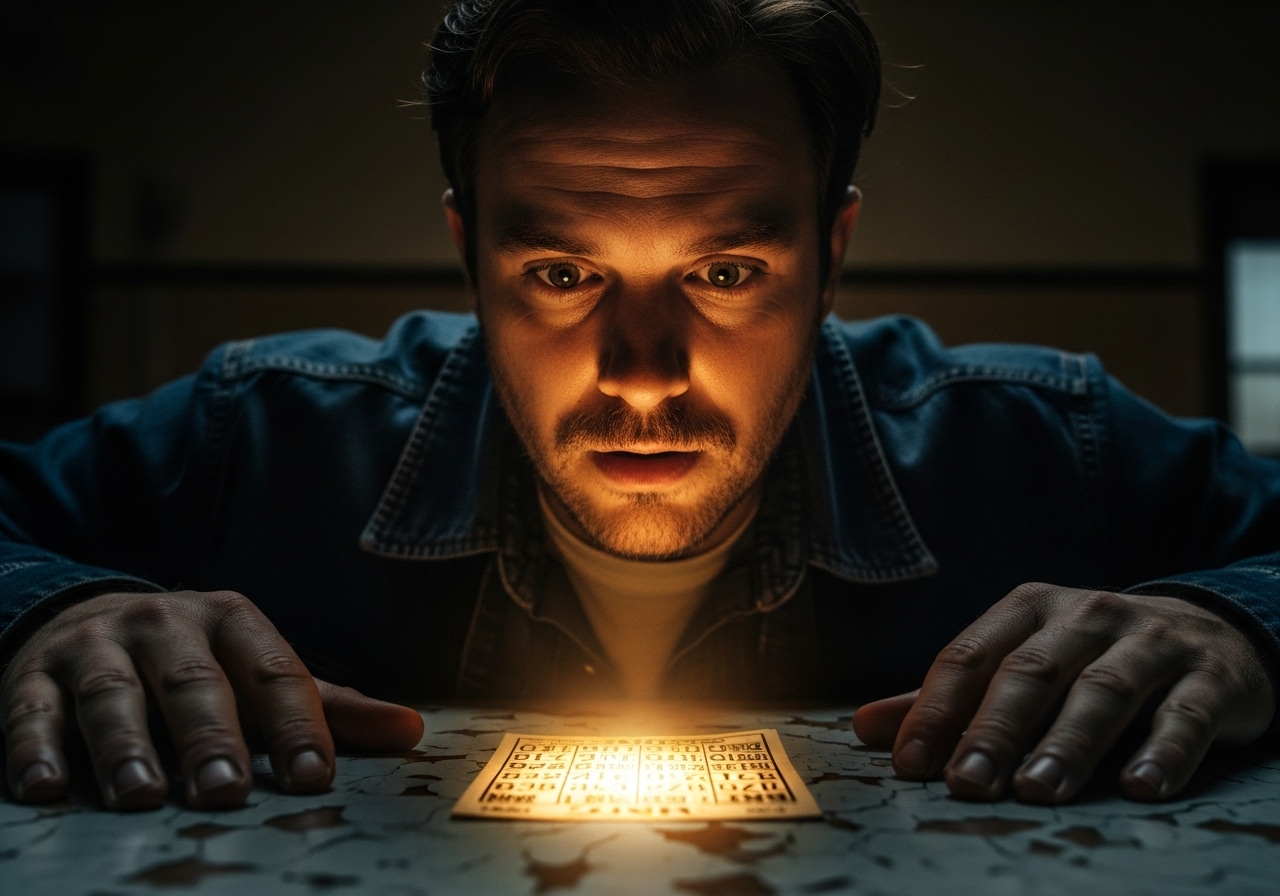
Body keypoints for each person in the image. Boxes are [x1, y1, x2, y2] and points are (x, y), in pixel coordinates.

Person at [2, 0, 1278, 814]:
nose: (645, 371)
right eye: (561, 274)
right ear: (469, 256)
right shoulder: (259, 438)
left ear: (831, 255)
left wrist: (1237, 623)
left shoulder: (1049, 448)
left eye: (726, 273)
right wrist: (51, 611)